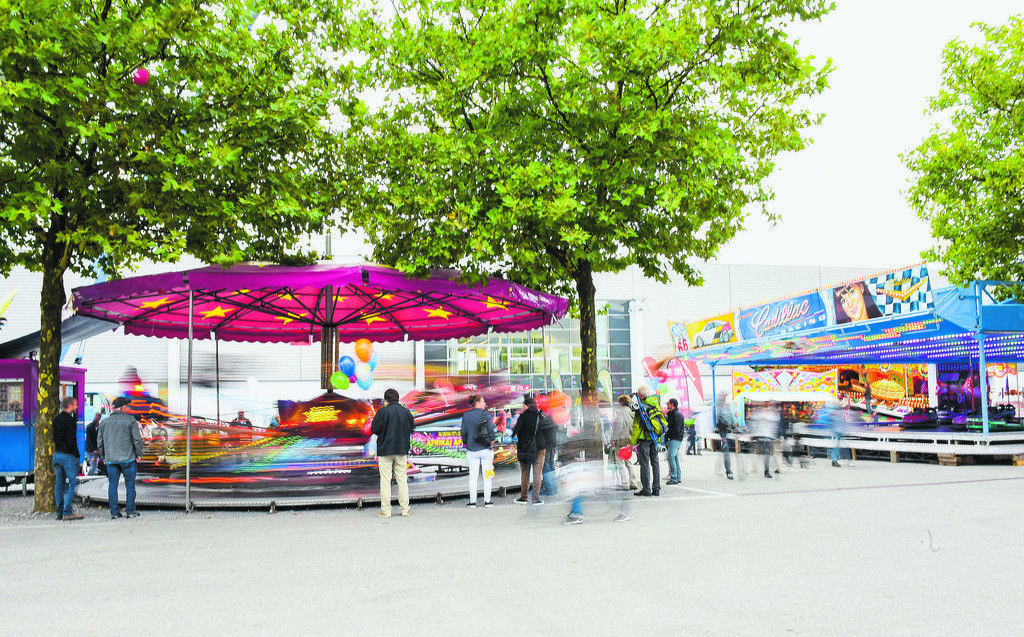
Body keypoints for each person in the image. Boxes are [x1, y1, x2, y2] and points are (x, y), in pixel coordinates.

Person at [370, 388, 415, 518]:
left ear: (386, 400)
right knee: (402, 480)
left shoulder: (382, 411)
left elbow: (374, 429)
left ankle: (386, 510)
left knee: (385, 480)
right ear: (398, 398)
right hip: (401, 449)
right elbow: (411, 427)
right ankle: (405, 509)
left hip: (385, 450)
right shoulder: (406, 412)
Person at [98, 396, 144, 519]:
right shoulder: (130, 420)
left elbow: (100, 442)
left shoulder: (104, 422)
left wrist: (104, 456)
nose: (128, 408)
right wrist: (138, 454)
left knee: (112, 485)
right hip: (128, 459)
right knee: (130, 485)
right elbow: (137, 439)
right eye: (126, 406)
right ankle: (130, 510)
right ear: (122, 408)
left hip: (111, 460)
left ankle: (114, 512)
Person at [459, 394, 495, 508]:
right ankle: (487, 501)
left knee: (473, 477)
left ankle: (472, 502)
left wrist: (467, 443)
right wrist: (492, 443)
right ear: (478, 403)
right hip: (486, 450)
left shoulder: (466, 415)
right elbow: (491, 431)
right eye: (483, 401)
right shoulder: (486, 415)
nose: (485, 404)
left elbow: (463, 432)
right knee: (487, 476)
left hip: (472, 450)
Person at [52, 396, 83, 521]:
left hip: (57, 454)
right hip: (67, 455)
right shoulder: (70, 420)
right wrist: (76, 454)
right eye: (75, 405)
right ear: (69, 405)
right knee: (72, 483)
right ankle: (67, 511)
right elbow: (71, 440)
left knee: (59, 484)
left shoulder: (56, 419)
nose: (77, 407)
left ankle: (59, 512)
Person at [512, 394, 548, 505]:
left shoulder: (522, 417)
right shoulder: (541, 416)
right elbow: (547, 431)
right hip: (540, 448)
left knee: (525, 473)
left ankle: (524, 497)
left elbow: (516, 432)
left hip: (525, 448)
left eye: (523, 405)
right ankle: (536, 499)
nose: (522, 407)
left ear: (527, 406)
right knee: (537, 473)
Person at [630, 385, 664, 497]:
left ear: (640, 395)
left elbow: (636, 427)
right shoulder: (655, 403)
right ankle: (656, 489)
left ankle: (646, 490)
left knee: (644, 464)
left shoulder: (641, 407)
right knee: (655, 463)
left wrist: (632, 443)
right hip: (655, 439)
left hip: (644, 439)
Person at [611, 395, 638, 490]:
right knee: (628, 461)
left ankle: (624, 483)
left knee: (620, 461)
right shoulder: (631, 412)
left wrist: (614, 439)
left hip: (621, 439)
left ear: (621, 402)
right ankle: (633, 482)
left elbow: (618, 427)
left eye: (619, 402)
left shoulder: (621, 413)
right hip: (629, 440)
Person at [664, 398, 685, 485]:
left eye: (668, 403)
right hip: (675, 438)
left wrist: (668, 434)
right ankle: (678, 476)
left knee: (671, 457)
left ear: (672, 404)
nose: (667, 405)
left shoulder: (676, 415)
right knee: (675, 457)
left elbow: (676, 429)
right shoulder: (673, 414)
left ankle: (674, 477)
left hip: (675, 438)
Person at [716, 391, 735, 480]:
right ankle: (728, 471)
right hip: (722, 430)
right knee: (726, 449)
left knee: (726, 451)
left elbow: (730, 417)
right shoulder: (717, 406)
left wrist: (734, 425)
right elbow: (717, 418)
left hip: (727, 430)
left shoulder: (727, 406)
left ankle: (724, 469)